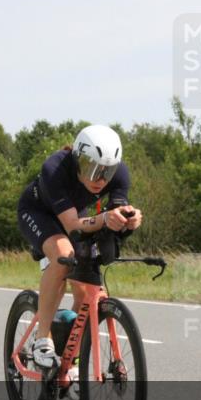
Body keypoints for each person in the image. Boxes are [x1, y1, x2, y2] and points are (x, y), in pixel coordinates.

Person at [16, 125, 143, 371]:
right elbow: (72, 225)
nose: (100, 180)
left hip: (75, 213)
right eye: (92, 169)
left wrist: (129, 219)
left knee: (86, 292)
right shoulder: (55, 168)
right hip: (39, 212)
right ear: (78, 160)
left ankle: (69, 357)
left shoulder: (120, 174)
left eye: (107, 172)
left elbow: (114, 212)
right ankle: (42, 340)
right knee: (64, 256)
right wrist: (105, 218)